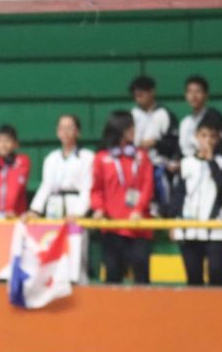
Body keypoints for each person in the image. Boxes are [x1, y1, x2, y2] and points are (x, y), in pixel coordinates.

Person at [92, 110, 154, 284]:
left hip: (138, 225)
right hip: (112, 227)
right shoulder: (101, 158)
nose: (134, 130)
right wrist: (99, 209)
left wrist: (139, 209)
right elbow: (96, 189)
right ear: (118, 129)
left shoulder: (141, 156)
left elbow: (147, 186)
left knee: (142, 276)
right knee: (112, 275)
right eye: (130, 126)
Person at [170, 112, 222, 286]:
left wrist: (211, 160)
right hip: (189, 228)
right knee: (193, 278)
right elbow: (178, 195)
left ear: (218, 139)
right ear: (196, 136)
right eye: (203, 135)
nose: (207, 141)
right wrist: (173, 223)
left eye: (212, 136)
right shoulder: (186, 163)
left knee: (217, 275)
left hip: (215, 229)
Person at [28, 114, 95, 220]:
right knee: (53, 235)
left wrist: (78, 213)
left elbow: (87, 188)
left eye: (70, 128)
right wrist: (35, 210)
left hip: (75, 207)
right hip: (54, 207)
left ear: (78, 132)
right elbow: (46, 186)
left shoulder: (87, 157)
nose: (65, 132)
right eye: (62, 128)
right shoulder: (51, 158)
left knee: (75, 236)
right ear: (57, 132)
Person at [129, 75, 179, 216]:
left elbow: (173, 144)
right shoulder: (131, 115)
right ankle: (132, 209)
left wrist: (155, 143)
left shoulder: (164, 114)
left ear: (152, 92)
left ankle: (165, 213)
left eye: (143, 91)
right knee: (131, 186)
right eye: (136, 92)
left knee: (161, 180)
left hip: (158, 163)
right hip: (134, 163)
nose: (139, 95)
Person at [178, 75, 222, 159]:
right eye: (190, 92)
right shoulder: (185, 122)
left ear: (206, 95)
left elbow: (220, 145)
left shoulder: (214, 117)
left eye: (198, 91)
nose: (193, 96)